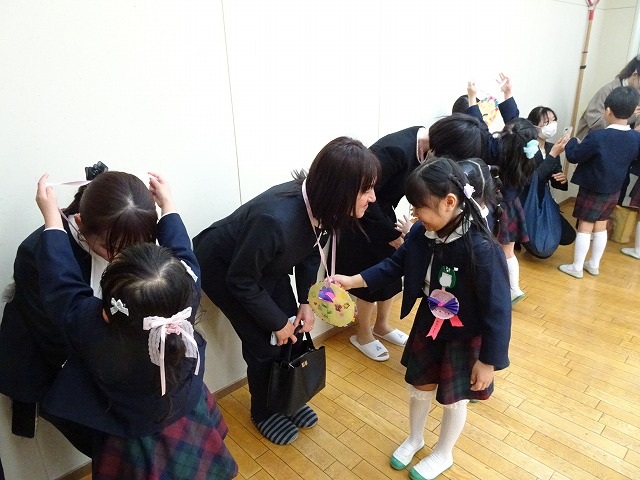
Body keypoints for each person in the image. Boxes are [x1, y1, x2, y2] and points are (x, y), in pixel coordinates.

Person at [35, 172, 237, 479]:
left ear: (106, 312)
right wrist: (168, 206)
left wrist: (52, 221)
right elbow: (183, 252)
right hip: (186, 410)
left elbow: (62, 288)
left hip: (133, 436)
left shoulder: (93, 331)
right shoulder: (187, 296)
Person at [192, 136, 379, 445]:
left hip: (264, 265)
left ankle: (286, 397)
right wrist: (277, 323)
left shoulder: (325, 207)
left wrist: (306, 302)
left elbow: (310, 252)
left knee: (295, 330)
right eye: (366, 189)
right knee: (264, 342)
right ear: (341, 189)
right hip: (226, 270)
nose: (372, 197)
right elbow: (241, 280)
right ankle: (264, 412)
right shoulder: (276, 220)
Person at [334, 157, 511, 480]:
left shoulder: (483, 249)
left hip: (463, 334)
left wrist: (488, 361)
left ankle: (444, 452)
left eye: (420, 208)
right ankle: (415, 438)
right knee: (420, 384)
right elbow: (393, 265)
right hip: (430, 322)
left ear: (449, 202)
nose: (415, 216)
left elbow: (499, 311)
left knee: (454, 398)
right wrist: (352, 281)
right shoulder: (422, 232)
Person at [0, 168, 158, 438]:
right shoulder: (37, 252)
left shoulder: (129, 232)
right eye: (111, 248)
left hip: (101, 352)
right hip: (53, 355)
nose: (121, 257)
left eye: (132, 247)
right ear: (81, 223)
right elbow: (56, 334)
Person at [335, 128, 426, 361]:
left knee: (391, 273)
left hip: (383, 216)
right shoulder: (394, 150)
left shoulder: (421, 151)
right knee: (370, 276)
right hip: (363, 218)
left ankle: (381, 325)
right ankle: (362, 334)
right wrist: (389, 233)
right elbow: (366, 194)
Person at [560, 86, 640, 278]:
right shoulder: (635, 138)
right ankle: (594, 265)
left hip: (592, 188)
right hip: (614, 189)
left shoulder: (598, 137)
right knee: (601, 225)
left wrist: (571, 142)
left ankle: (577, 267)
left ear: (608, 110)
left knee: (585, 226)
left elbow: (574, 156)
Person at [493, 118, 539, 303]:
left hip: (498, 208)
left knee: (495, 253)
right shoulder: (527, 160)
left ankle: (501, 290)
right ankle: (514, 288)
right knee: (509, 252)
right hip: (513, 207)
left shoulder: (499, 159)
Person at [521, 106, 575, 256]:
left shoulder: (552, 147)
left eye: (554, 120)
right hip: (526, 199)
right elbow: (531, 180)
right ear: (534, 125)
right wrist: (552, 156)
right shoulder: (526, 148)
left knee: (569, 236)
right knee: (541, 249)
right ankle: (522, 237)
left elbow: (555, 180)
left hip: (544, 199)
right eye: (547, 122)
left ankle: (527, 238)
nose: (552, 125)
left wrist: (562, 179)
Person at [575, 54, 640, 140]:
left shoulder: (637, 93)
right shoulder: (608, 90)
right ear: (635, 75)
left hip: (622, 142)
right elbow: (594, 121)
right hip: (596, 141)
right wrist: (628, 118)